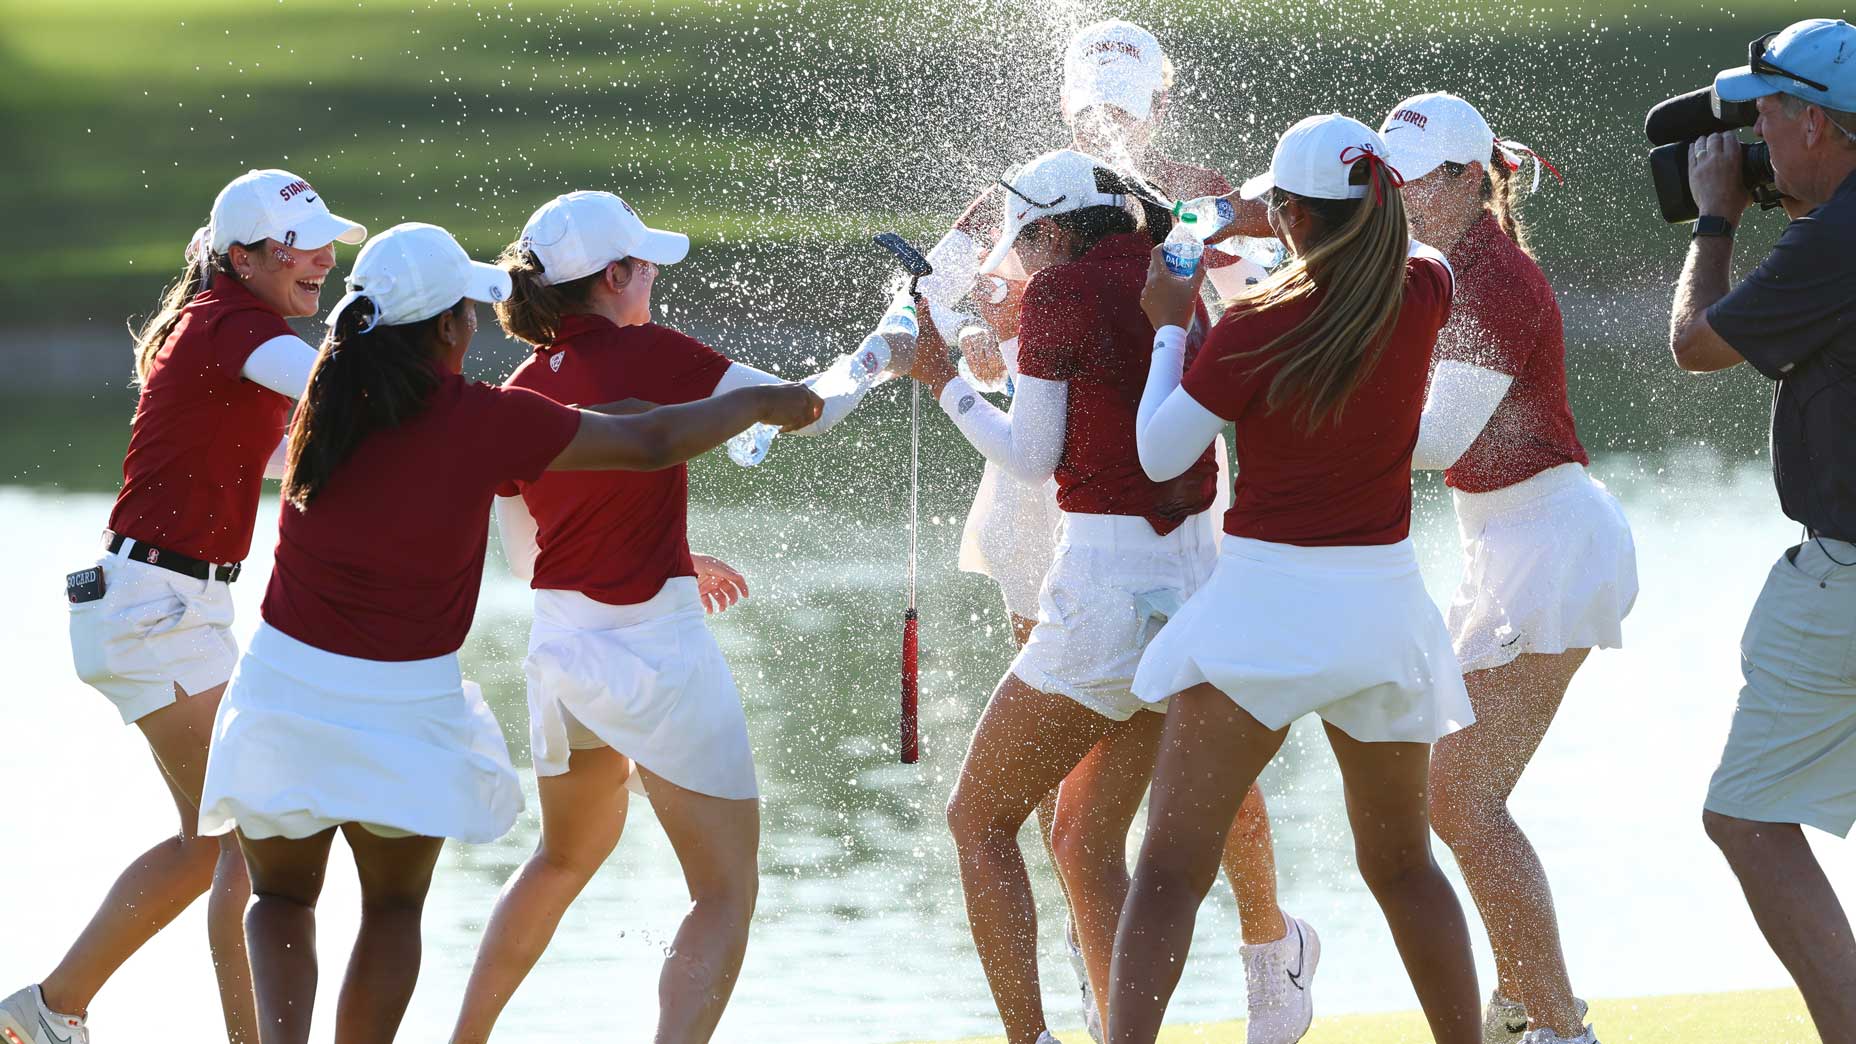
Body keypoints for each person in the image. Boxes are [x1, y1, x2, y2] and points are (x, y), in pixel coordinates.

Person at [189, 221, 821, 1044]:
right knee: (389, 907)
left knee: (280, 900)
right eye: (468, 314)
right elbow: (649, 438)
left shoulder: (326, 402)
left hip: (281, 683)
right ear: (450, 327)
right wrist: (765, 400)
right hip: (401, 699)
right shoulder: (480, 418)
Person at [939, 20, 1307, 1043]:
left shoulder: (1183, 212)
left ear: (1158, 97)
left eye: (1126, 94)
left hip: (1130, 498)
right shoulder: (1031, 206)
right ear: (1066, 98)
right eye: (1091, 94)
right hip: (1054, 502)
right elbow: (943, 306)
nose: (1109, 112)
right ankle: (1111, 1011)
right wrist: (975, 330)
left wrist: (961, 380)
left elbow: (1243, 320)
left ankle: (1263, 950)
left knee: (1104, 801)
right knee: (1077, 819)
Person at [449, 190, 886, 1043]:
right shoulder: (652, 351)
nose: (654, 279)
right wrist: (881, 357)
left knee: (563, 858)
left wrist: (676, 553)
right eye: (645, 265)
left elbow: (531, 559)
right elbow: (805, 410)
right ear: (615, 277)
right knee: (724, 891)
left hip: (564, 651)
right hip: (657, 650)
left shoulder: (524, 384)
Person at [1109, 114, 1481, 1044]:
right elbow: (1410, 243)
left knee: (1167, 874)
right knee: (1404, 867)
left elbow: (1160, 456)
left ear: (1289, 217)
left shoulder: (1252, 322)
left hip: (1268, 611)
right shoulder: (1425, 286)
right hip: (1385, 611)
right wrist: (1277, 213)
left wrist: (1166, 327)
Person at [2, 169, 365, 1044]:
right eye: (298, 247)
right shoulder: (234, 325)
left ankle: (46, 1012)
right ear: (242, 257)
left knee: (211, 841)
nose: (320, 259)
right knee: (254, 833)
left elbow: (282, 454)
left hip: (163, 608)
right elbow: (333, 383)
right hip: (154, 609)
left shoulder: (230, 325)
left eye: (324, 244)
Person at [903, 147, 1225, 1044]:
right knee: (1088, 842)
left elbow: (1031, 456)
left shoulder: (1062, 293)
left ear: (1050, 231)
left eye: (1027, 243)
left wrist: (945, 383)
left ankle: (1032, 1039)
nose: (1024, 263)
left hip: (1106, 590)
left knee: (979, 822)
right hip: (1191, 583)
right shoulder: (1169, 269)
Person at [1379, 92, 1638, 1044]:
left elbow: (1433, 439)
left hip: (1549, 542)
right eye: (1384, 181)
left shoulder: (1491, 279)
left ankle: (1555, 1023)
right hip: (1507, 541)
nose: (1395, 198)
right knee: (1455, 795)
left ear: (1459, 179)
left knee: (1462, 797)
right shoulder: (1447, 261)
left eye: (1407, 181)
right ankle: (1530, 1001)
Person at [1667, 19, 1856, 1043]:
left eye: (1767, 109)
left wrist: (1714, 221)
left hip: (1842, 578)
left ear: (1815, 123)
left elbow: (1696, 347)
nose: (1755, 129)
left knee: (1743, 817)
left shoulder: (1833, 238)